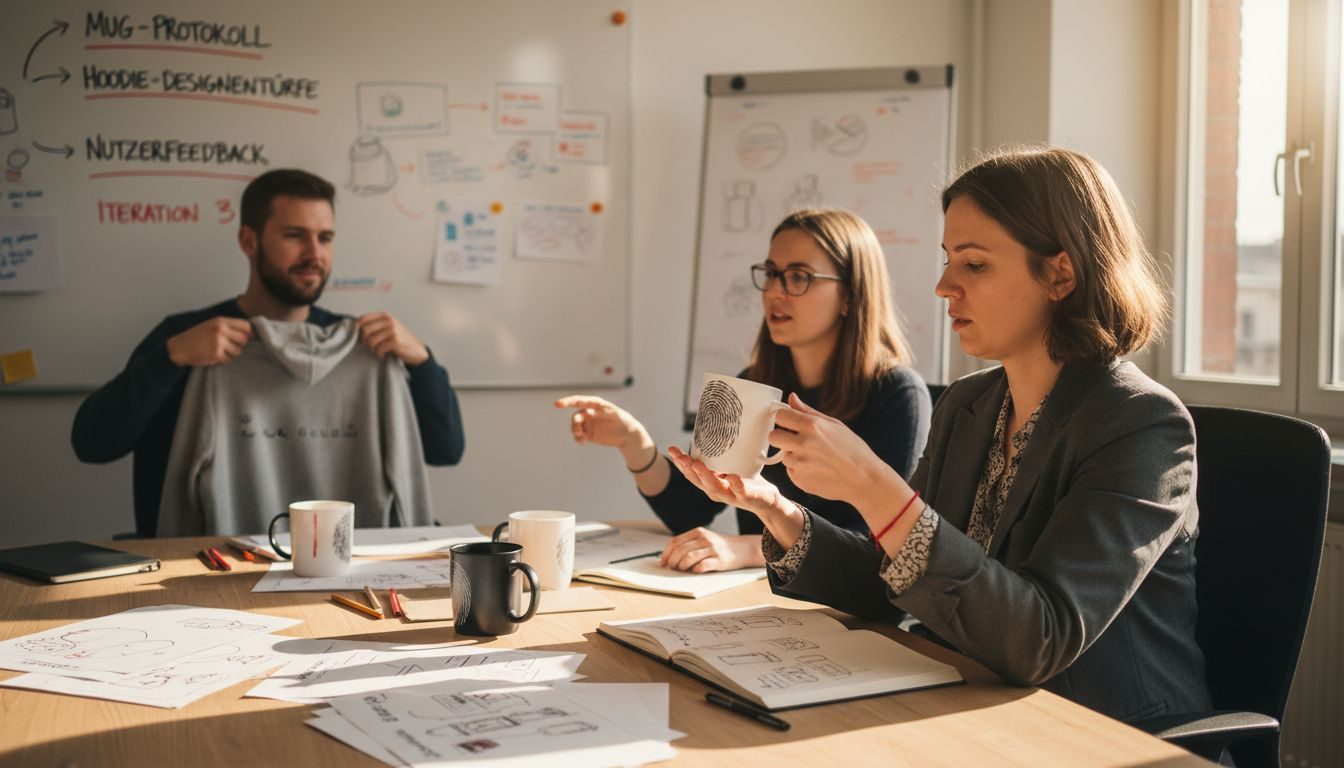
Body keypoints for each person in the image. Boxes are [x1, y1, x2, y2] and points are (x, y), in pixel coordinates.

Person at [668, 147, 1211, 723]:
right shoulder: (970, 404)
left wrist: (874, 488)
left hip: (1099, 735)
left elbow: (1039, 638)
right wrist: (777, 509)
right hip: (966, 703)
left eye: (973, 264)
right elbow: (890, 579)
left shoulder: (1141, 425)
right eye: (948, 258)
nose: (944, 285)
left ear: (1060, 274)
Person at [71, 168, 465, 537]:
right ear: (249, 241)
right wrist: (169, 358)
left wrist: (423, 362)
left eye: (325, 238)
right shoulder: (183, 339)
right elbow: (92, 444)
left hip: (345, 567)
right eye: (295, 235)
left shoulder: (361, 345)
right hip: (207, 572)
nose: (314, 254)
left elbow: (446, 450)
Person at [556, 208, 931, 573]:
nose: (774, 292)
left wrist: (748, 549)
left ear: (850, 295)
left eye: (798, 277)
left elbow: (880, 548)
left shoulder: (897, 395)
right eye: (770, 274)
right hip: (757, 601)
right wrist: (633, 444)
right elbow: (691, 509)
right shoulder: (753, 381)